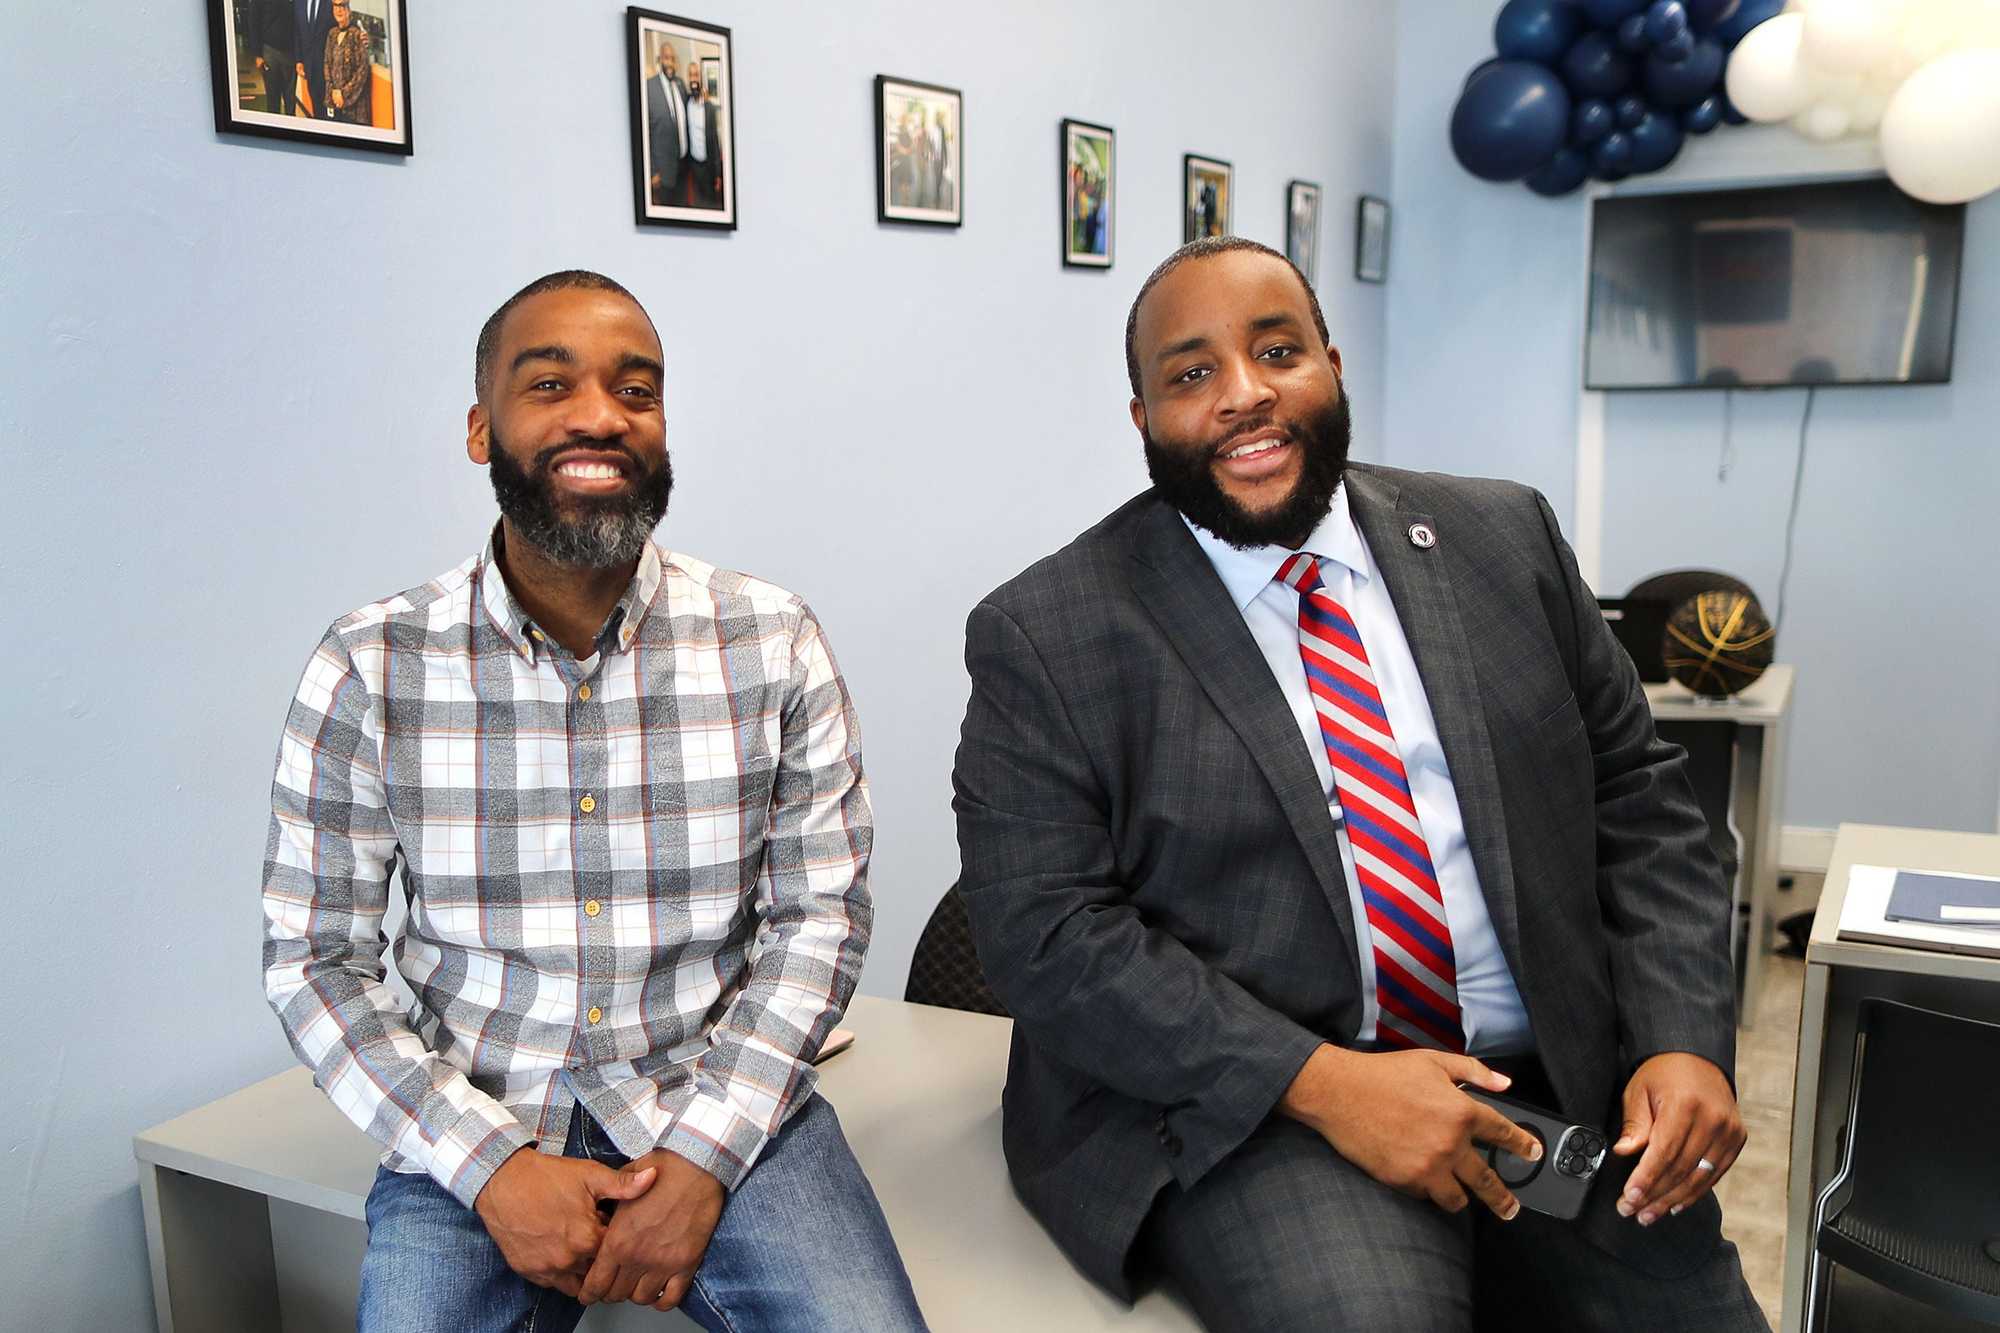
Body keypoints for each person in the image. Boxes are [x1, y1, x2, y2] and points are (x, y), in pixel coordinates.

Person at [951, 236, 1766, 1332]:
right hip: (1265, 1104)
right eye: (1191, 374)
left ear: (1331, 366)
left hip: (1546, 1074)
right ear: (1141, 420)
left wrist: (1677, 1034)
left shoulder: (1499, 536)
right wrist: (1325, 1082)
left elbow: (1637, 796)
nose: (1244, 395)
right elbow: (1044, 930)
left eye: (1275, 350)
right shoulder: (1048, 632)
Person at [262, 270, 929, 1333]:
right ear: (481, 429)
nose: (599, 415)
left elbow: (818, 921)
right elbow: (315, 961)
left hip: (724, 1102)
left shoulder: (771, 639)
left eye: (636, 388)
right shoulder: (371, 663)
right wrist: (488, 1167)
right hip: (473, 1116)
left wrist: (702, 1157)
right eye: (549, 384)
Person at [645, 43, 689, 208]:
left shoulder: (680, 84)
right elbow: (644, 133)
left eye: (672, 59)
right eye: (666, 58)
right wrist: (651, 171)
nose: (670, 63)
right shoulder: (649, 87)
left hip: (683, 165)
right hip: (662, 173)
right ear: (660, 60)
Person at [322, 0, 370, 126]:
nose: (338, 10)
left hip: (354, 108)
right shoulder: (332, 34)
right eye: (335, 6)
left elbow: (362, 70)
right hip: (333, 100)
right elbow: (327, 63)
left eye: (342, 6)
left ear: (349, 10)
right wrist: (333, 91)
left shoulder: (358, 35)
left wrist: (343, 94)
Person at [248, 0, 295, 115]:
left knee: (290, 100)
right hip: (270, 52)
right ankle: (275, 129)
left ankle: (292, 130)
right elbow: (253, 22)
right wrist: (258, 54)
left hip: (291, 54)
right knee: (273, 98)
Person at [683, 66, 720, 208]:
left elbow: (715, 141)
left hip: (708, 166)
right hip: (693, 165)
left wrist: (717, 174)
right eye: (691, 75)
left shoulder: (709, 107)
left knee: (711, 204)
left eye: (696, 75)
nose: (693, 78)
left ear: (701, 79)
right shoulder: (686, 103)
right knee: (698, 203)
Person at [292, 0, 334, 119]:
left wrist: (359, 33)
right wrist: (299, 60)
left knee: (332, 115)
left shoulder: (330, 2)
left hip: (329, 70)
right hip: (310, 68)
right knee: (317, 110)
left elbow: (343, 18)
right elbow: (297, 32)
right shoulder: (299, 3)